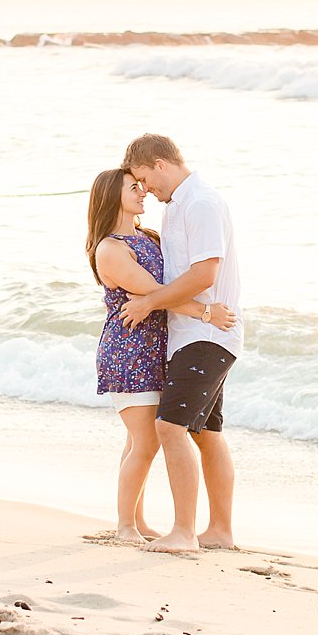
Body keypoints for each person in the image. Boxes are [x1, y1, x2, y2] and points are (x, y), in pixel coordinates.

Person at [87, 168, 234, 544]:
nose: (142, 193)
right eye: (133, 188)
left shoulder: (148, 238)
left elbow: (162, 292)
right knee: (146, 441)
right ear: (111, 197)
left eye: (141, 185)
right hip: (129, 350)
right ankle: (125, 526)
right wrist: (206, 313)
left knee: (137, 441)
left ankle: (134, 522)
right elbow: (153, 292)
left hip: (156, 349)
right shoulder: (111, 248)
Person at [117, 134, 242, 554]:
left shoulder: (200, 203)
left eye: (144, 179)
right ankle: (220, 531)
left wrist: (150, 301)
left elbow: (206, 274)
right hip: (193, 334)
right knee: (207, 432)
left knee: (169, 426)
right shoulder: (177, 207)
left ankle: (184, 533)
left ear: (159, 164)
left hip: (207, 335)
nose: (146, 189)